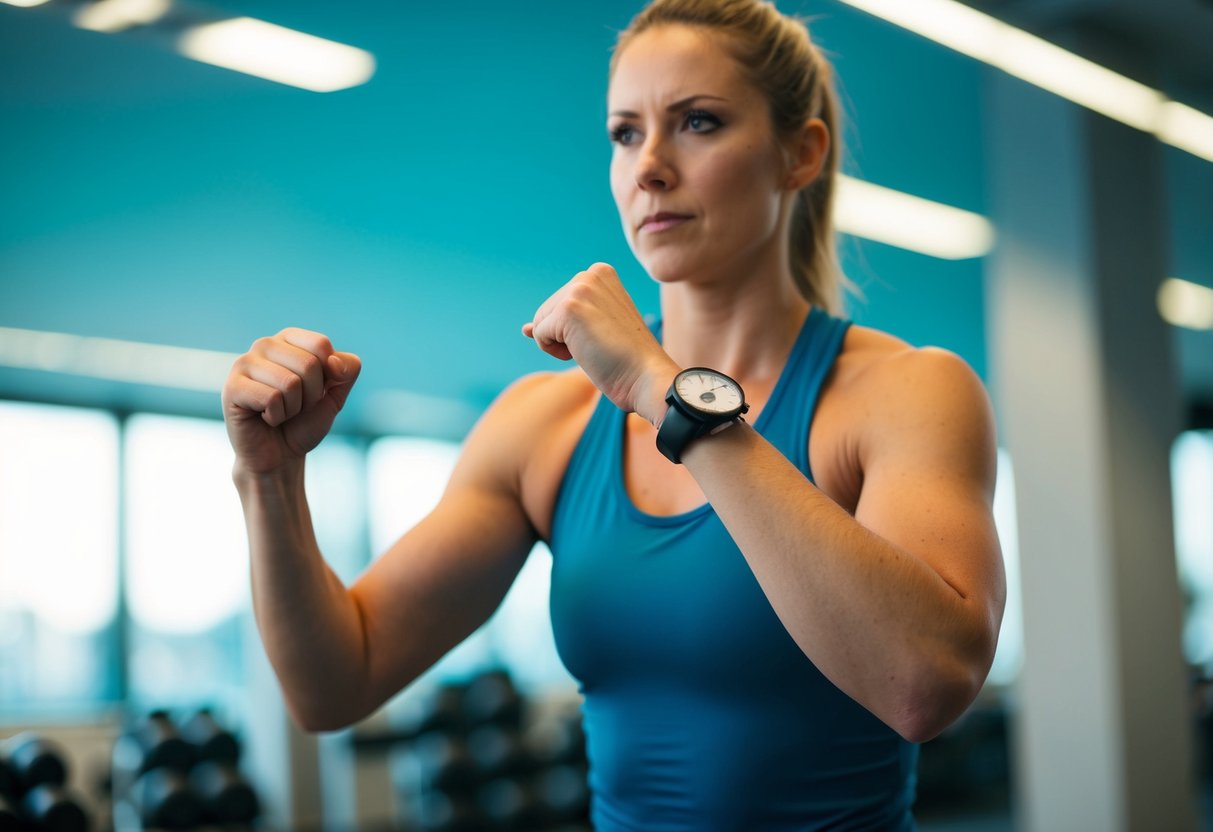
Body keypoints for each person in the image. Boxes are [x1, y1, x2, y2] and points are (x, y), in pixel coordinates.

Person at [221, 0, 1006, 827]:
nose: (649, 167)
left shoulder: (903, 392)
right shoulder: (544, 425)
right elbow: (336, 683)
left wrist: (663, 391)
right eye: (625, 133)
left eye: (697, 123)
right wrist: (267, 480)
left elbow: (924, 687)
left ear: (797, 153)